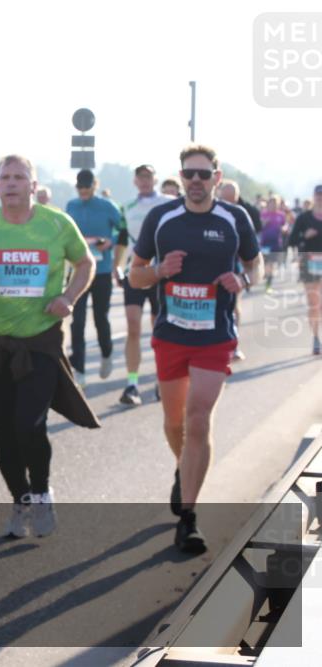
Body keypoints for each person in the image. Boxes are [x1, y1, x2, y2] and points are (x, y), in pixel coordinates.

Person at [0, 155, 100, 538]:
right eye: (5, 177)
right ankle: (21, 499)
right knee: (2, 430)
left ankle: (42, 490)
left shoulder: (56, 224)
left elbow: (85, 264)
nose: (12, 183)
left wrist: (68, 297)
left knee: (28, 423)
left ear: (33, 185)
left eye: (19, 177)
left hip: (42, 340)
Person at [129, 144, 262, 554]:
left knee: (198, 419)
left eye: (205, 174)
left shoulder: (234, 217)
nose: (197, 181)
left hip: (214, 337)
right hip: (171, 335)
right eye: (190, 174)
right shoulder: (161, 218)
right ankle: (182, 468)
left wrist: (245, 282)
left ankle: (188, 517)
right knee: (175, 425)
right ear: (181, 177)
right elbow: (135, 278)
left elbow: (255, 264)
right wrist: (159, 271)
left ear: (217, 178)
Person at [114, 164, 173, 406]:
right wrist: (116, 266)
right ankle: (132, 383)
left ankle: (162, 379)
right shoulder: (127, 207)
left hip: (160, 273)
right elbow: (121, 238)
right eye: (141, 177)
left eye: (149, 176)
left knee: (159, 329)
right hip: (135, 272)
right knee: (133, 327)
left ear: (155, 179)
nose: (145, 181)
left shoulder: (168, 203)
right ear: (135, 181)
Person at [66, 169, 122, 386]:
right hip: (78, 270)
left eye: (86, 187)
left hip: (102, 270)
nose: (83, 191)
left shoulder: (107, 206)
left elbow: (122, 229)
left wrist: (110, 240)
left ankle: (106, 352)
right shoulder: (71, 206)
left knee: (100, 318)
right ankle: (78, 368)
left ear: (94, 185)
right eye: (79, 187)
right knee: (77, 321)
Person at [218, 179, 262, 361]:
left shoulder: (244, 212)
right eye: (224, 199)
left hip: (237, 261)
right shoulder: (212, 211)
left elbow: (255, 257)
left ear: (237, 197)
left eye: (232, 199)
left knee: (234, 305)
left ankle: (234, 342)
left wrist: (245, 278)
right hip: (217, 264)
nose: (228, 203)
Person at [287, 184, 322, 355]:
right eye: (318, 195)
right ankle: (316, 338)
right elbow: (292, 241)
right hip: (309, 263)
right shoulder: (304, 218)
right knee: (314, 303)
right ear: (314, 197)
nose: (320, 198)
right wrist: (304, 237)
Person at [258, 195, 287, 293]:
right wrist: (263, 223)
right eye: (271, 203)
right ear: (268, 204)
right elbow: (258, 227)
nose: (273, 205)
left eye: (275, 203)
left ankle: (268, 284)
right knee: (265, 264)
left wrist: (284, 229)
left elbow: (285, 225)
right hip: (265, 243)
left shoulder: (281, 215)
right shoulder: (263, 214)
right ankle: (266, 278)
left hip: (276, 243)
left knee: (271, 265)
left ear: (278, 204)